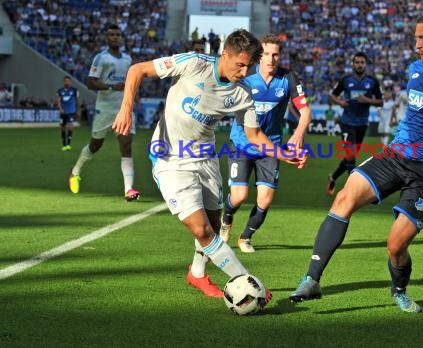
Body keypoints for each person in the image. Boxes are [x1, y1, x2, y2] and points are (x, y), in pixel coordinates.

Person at [289, 11, 423, 313]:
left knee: (395, 246)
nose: (416, 44)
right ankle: (312, 278)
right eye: (415, 37)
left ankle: (399, 290)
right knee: (344, 197)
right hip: (396, 155)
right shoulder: (414, 68)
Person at [112, 29, 307, 299]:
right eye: (240, 64)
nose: (244, 71)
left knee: (214, 225)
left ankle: (197, 274)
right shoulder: (193, 63)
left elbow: (254, 136)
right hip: (170, 157)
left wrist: (283, 154)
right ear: (224, 54)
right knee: (202, 229)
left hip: (205, 156)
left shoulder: (242, 94)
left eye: (249, 65)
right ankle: (246, 281)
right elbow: (137, 70)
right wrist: (126, 108)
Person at [220, 34, 312, 253]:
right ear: (259, 56)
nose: (271, 59)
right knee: (239, 196)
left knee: (266, 199)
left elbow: (305, 111)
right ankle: (227, 219)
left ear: (280, 57)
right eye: (266, 54)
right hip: (242, 144)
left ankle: (245, 237)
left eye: (275, 54)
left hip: (271, 147)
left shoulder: (288, 79)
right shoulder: (246, 78)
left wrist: (298, 133)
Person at [68, 24, 141, 201]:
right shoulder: (100, 58)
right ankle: (75, 171)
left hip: (123, 108)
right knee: (95, 145)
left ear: (121, 37)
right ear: (106, 38)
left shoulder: (127, 59)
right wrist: (110, 86)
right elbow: (90, 82)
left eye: (117, 34)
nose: (115, 37)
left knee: (126, 146)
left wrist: (134, 98)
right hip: (105, 109)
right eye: (111, 35)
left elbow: (130, 82)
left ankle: (128, 190)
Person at [326, 52, 383, 196]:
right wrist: (339, 102)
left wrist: (368, 101)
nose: (359, 65)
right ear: (353, 64)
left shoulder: (372, 81)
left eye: (362, 62)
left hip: (362, 123)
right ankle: (352, 190)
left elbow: (380, 101)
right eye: (357, 62)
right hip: (347, 122)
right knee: (351, 156)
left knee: (349, 158)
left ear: (366, 64)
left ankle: (333, 177)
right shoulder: (345, 80)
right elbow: (332, 95)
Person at [57, 75, 80, 151]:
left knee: (70, 126)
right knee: (63, 128)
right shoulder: (60, 90)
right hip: (63, 112)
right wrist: (60, 108)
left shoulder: (74, 90)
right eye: (65, 81)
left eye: (68, 81)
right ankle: (64, 145)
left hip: (71, 111)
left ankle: (69, 144)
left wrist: (78, 110)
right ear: (64, 82)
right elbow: (59, 100)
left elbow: (77, 100)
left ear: (70, 82)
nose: (67, 82)